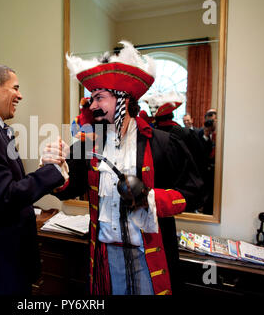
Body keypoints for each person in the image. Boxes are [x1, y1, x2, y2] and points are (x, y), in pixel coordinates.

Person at [45, 41, 204, 295]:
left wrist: (150, 198)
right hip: (105, 259)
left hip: (148, 258)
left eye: (99, 98)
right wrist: (56, 167)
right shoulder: (88, 143)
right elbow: (68, 188)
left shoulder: (164, 142)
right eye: (92, 98)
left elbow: (194, 192)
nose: (92, 106)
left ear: (122, 99)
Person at [0, 64, 67, 295]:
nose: (20, 95)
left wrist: (44, 167)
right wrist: (52, 172)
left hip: (8, 256)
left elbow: (8, 182)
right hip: (1, 260)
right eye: (15, 88)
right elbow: (5, 196)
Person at [198, 108, 217, 215]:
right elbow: (200, 151)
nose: (211, 124)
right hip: (204, 168)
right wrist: (205, 135)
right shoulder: (201, 132)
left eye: (213, 121)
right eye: (209, 121)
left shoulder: (219, 133)